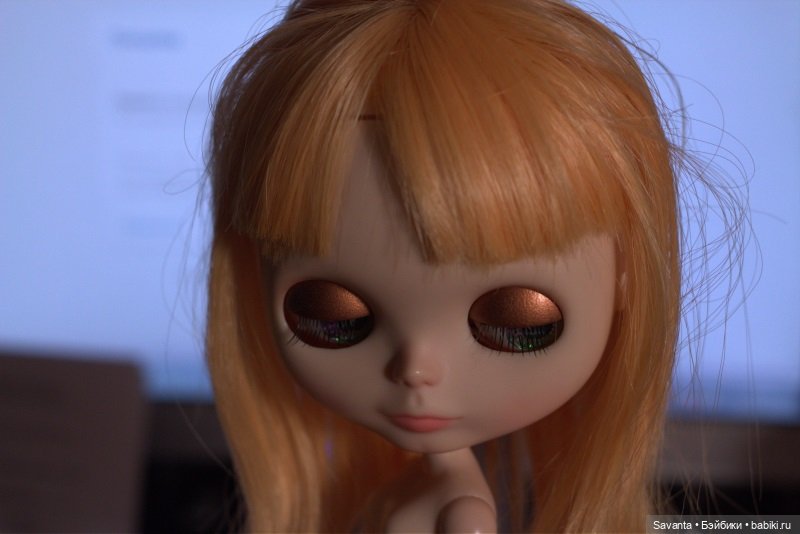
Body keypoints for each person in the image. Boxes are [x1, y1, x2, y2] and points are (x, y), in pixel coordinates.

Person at [206, 0, 685, 531]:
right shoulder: (425, 487)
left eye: (514, 322)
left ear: (625, 272)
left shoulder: (464, 515)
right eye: (332, 316)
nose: (415, 369)